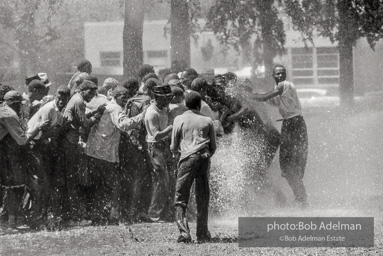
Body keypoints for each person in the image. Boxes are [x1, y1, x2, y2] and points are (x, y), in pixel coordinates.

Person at [84, 86, 144, 223]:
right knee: (113, 184)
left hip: (95, 151)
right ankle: (113, 214)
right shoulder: (115, 108)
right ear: (116, 96)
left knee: (99, 185)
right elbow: (123, 125)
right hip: (104, 152)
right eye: (124, 96)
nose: (126, 100)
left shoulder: (107, 105)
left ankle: (98, 215)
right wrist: (142, 115)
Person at [252, 64, 308, 207]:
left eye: (282, 73)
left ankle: (301, 198)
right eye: (277, 74)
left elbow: (264, 97)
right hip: (290, 124)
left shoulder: (285, 85)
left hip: (294, 124)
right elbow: (271, 101)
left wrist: (248, 95)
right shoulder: (281, 91)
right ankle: (301, 198)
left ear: (285, 75)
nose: (280, 75)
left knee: (289, 165)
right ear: (273, 75)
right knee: (287, 167)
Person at [0, 91, 50, 232]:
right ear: (15, 104)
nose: (21, 108)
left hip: (6, 154)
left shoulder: (4, 110)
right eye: (19, 105)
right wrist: (38, 128)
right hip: (8, 156)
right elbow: (22, 140)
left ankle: (11, 222)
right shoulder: (9, 114)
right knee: (14, 188)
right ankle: (11, 224)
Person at [170, 90, 216, 243]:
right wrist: (205, 155)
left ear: (186, 104)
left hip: (187, 159)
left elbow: (173, 146)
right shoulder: (208, 120)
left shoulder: (179, 119)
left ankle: (184, 233)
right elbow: (213, 147)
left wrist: (179, 154)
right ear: (199, 104)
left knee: (181, 197)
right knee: (202, 197)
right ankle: (202, 233)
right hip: (203, 157)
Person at [61, 80, 105, 225]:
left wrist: (95, 111)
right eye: (90, 92)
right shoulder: (79, 101)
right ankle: (76, 217)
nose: (92, 96)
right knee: (74, 181)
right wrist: (97, 116)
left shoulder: (75, 98)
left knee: (73, 180)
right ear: (83, 90)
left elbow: (81, 118)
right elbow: (85, 124)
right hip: (70, 142)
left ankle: (73, 215)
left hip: (69, 140)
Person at [26, 86, 71, 223]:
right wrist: (61, 128)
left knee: (48, 182)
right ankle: (36, 216)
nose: (62, 100)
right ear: (56, 96)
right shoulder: (49, 108)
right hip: (34, 145)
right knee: (41, 182)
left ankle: (43, 214)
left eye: (64, 98)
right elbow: (43, 134)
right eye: (59, 97)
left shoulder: (60, 109)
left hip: (45, 147)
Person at [144, 84, 174, 222]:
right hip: (155, 147)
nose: (168, 100)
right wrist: (172, 127)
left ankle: (160, 212)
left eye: (169, 97)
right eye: (165, 98)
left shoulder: (163, 108)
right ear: (157, 97)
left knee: (164, 181)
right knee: (161, 181)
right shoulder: (152, 113)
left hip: (163, 147)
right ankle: (154, 214)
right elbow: (156, 135)